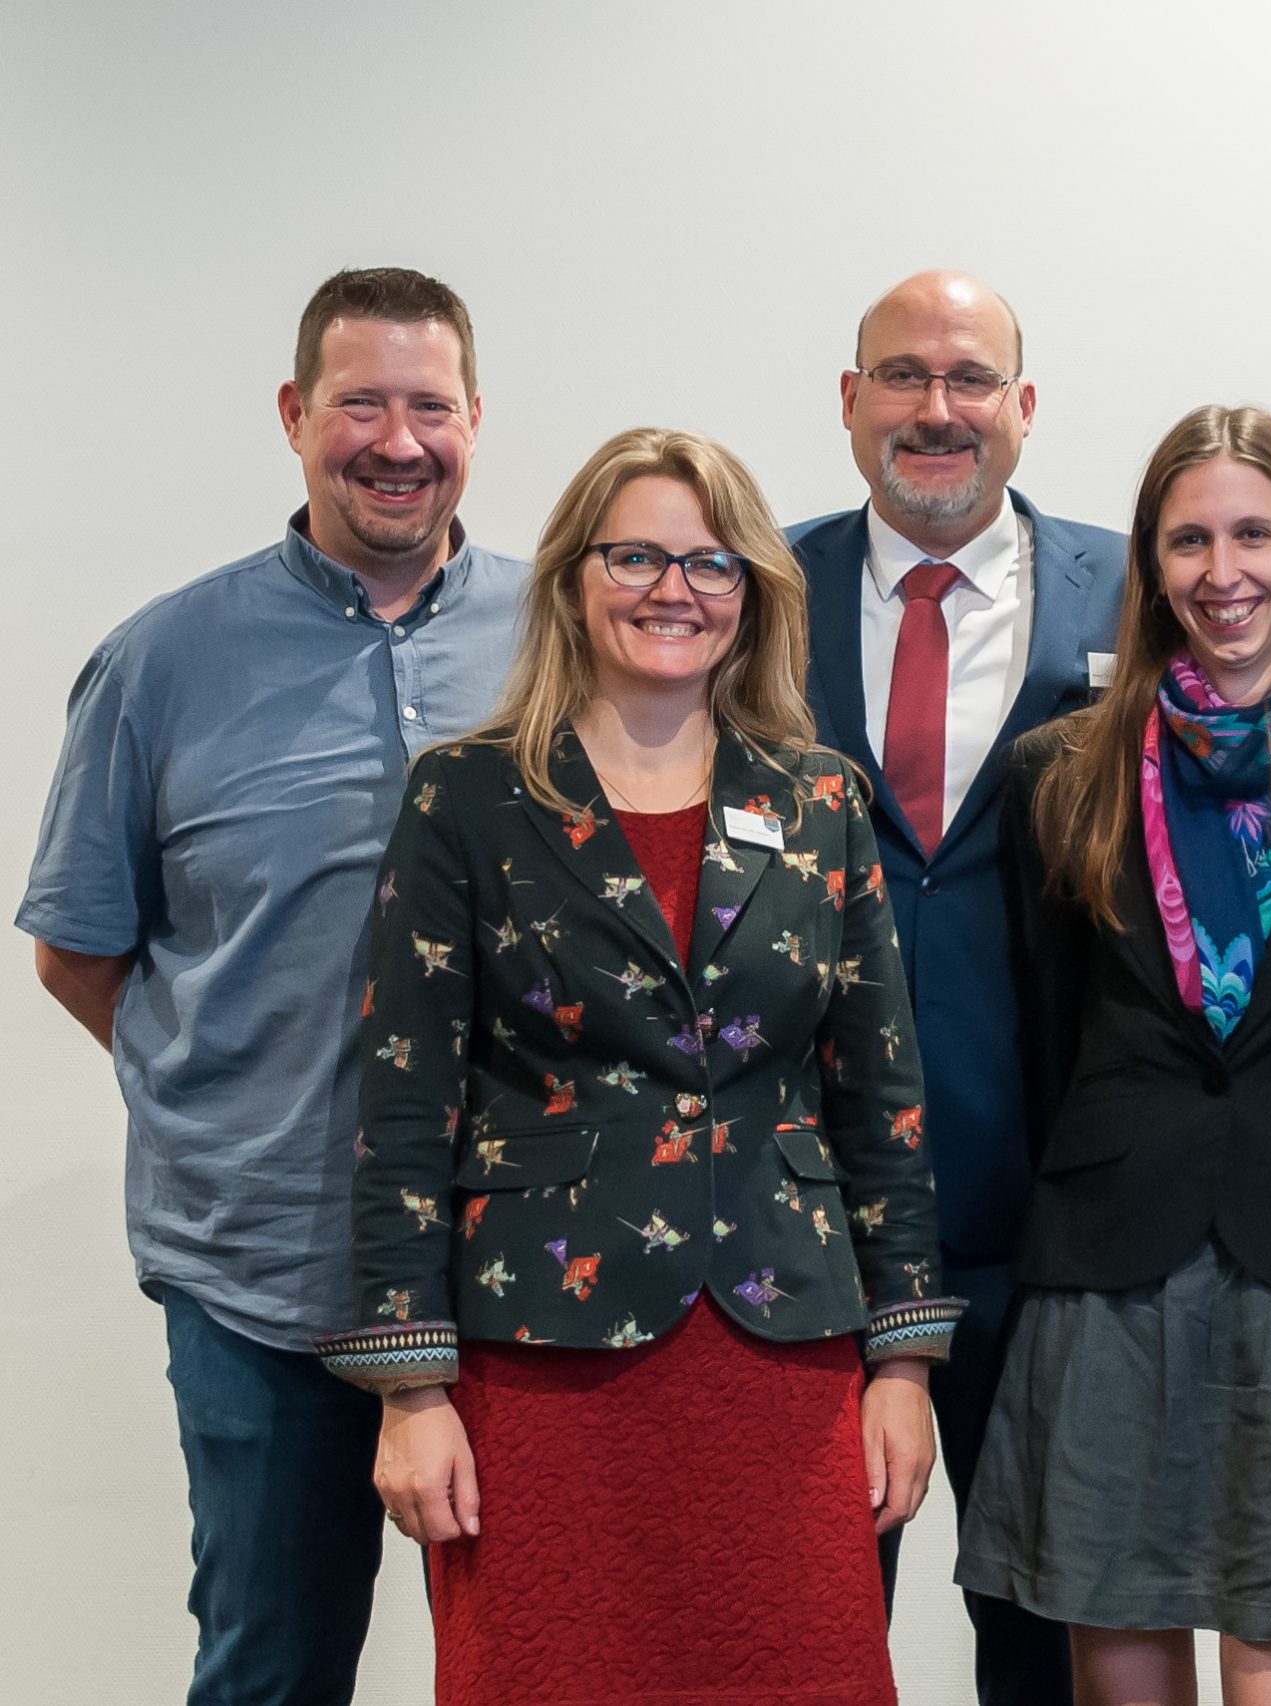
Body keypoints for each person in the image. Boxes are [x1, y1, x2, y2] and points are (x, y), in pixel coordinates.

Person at [315, 428, 958, 1706]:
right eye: (638, 555)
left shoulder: (822, 796)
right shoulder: (471, 794)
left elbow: (879, 1090)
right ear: (571, 579)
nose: (676, 588)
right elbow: (402, 1097)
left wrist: (904, 1362)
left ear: (753, 592)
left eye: (712, 562)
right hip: (547, 1358)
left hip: (783, 1350)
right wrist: (410, 1385)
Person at [18, 266, 525, 1705]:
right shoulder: (163, 659)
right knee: (274, 1662)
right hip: (262, 1272)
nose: (396, 438)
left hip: (525, 1260)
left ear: (477, 420)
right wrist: (226, 1093)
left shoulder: (565, 633)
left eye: (429, 404)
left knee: (543, 1655)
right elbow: (79, 946)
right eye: (359, 401)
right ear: (296, 414)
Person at [958, 405, 1271, 1706]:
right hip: (1110, 1261)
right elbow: (1051, 1027)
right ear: (1150, 563)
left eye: (1253, 532)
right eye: (1189, 539)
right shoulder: (1060, 773)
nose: (1222, 571)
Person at [791, 270, 1125, 1705]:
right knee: (800, 1631)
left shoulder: (1140, 590)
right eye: (906, 375)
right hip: (799, 1233)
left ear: (1026, 408)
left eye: (972, 377)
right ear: (850, 399)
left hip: (1051, 1222)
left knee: (1044, 1643)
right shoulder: (747, 590)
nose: (940, 409)